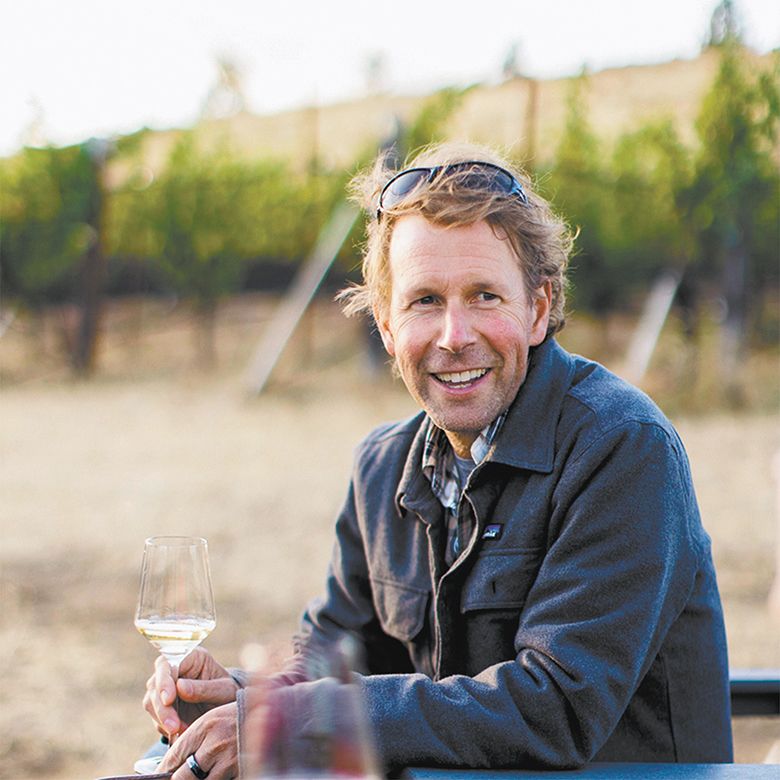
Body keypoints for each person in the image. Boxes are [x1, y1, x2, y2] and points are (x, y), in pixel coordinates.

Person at [143, 141, 733, 779]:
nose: (455, 336)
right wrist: (236, 693)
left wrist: (303, 720)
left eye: (484, 296)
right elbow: (334, 660)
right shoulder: (380, 465)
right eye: (425, 300)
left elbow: (556, 708)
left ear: (537, 310)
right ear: (388, 327)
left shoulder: (623, 448)